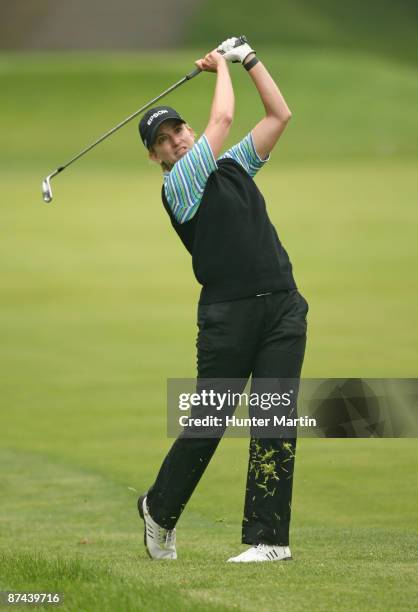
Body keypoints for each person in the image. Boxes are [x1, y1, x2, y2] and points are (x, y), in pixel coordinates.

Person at [137, 36, 308, 563]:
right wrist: (222, 67)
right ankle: (158, 512)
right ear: (156, 157)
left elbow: (278, 115)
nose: (177, 142)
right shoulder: (180, 185)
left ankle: (268, 541)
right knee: (209, 422)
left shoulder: (232, 167)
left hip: (281, 304)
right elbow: (224, 120)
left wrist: (252, 58)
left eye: (178, 130)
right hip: (227, 316)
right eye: (164, 141)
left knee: (275, 418)